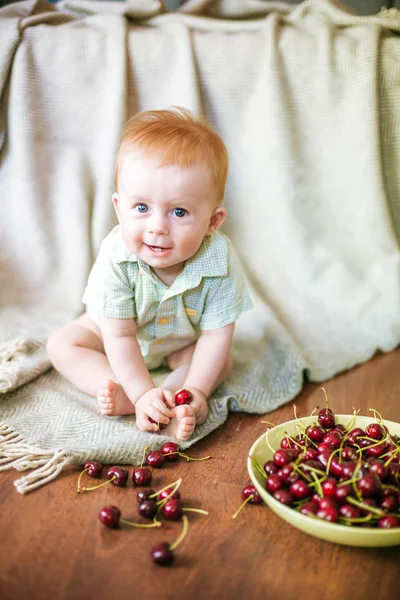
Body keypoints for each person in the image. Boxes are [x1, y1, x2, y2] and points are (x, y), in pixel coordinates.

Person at [47, 107, 252, 441]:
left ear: (213, 222)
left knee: (221, 361)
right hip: (115, 334)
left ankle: (174, 400)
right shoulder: (117, 255)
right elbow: (119, 335)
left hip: (180, 342)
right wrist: (140, 389)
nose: (157, 227)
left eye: (180, 212)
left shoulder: (219, 260)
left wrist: (198, 389)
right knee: (62, 344)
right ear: (119, 207)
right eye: (141, 208)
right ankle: (126, 393)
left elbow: (215, 335)